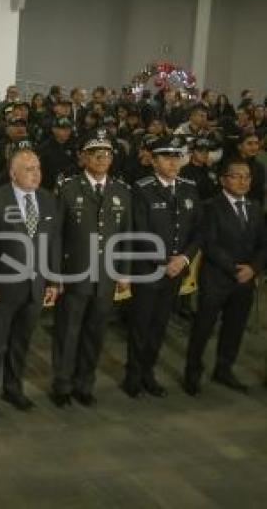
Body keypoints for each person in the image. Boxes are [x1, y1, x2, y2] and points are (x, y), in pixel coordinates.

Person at [0, 149, 61, 416]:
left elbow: (53, 243)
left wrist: (53, 278)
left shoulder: (48, 200)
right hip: (2, 287)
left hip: (35, 287)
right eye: (28, 169)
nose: (36, 173)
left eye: (37, 168)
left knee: (21, 342)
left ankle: (13, 389)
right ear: (13, 173)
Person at [51, 132, 132, 408]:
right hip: (74, 274)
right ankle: (62, 385)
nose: (102, 158)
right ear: (84, 158)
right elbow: (56, 236)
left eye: (107, 154)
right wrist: (56, 273)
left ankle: (84, 384)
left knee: (95, 334)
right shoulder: (68, 188)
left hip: (106, 277)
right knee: (68, 332)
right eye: (95, 154)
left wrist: (123, 271)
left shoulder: (121, 191)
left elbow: (125, 235)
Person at [125, 135, 202, 399]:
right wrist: (163, 261)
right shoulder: (142, 188)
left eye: (176, 157)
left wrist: (184, 259)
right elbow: (139, 230)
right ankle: (133, 376)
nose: (172, 163)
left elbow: (197, 231)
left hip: (176, 270)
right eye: (166, 158)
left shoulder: (189, 187)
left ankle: (148, 372)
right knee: (141, 325)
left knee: (160, 325)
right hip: (148, 269)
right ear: (154, 161)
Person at [183, 158, 267, 396]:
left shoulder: (254, 208)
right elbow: (209, 243)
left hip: (245, 282)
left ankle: (224, 369)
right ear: (223, 180)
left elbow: (263, 245)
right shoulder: (209, 207)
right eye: (237, 175)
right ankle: (192, 373)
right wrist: (234, 269)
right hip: (216, 280)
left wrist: (253, 269)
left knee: (235, 328)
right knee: (202, 329)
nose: (243, 181)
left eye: (247, 177)